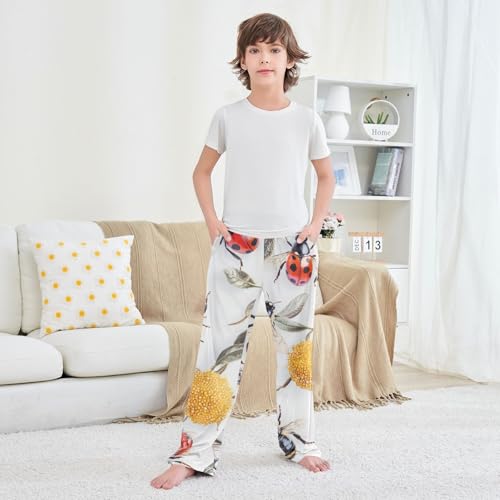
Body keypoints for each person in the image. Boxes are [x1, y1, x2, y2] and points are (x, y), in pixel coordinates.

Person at [151, 12, 335, 490]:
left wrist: (314, 226)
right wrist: (214, 224)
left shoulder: (306, 119)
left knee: (297, 351)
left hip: (294, 251)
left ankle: (300, 441)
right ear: (244, 60)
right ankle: (195, 453)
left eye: (274, 50)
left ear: (289, 60)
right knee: (217, 351)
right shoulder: (228, 117)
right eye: (255, 50)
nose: (264, 58)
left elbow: (326, 176)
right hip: (236, 248)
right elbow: (201, 172)